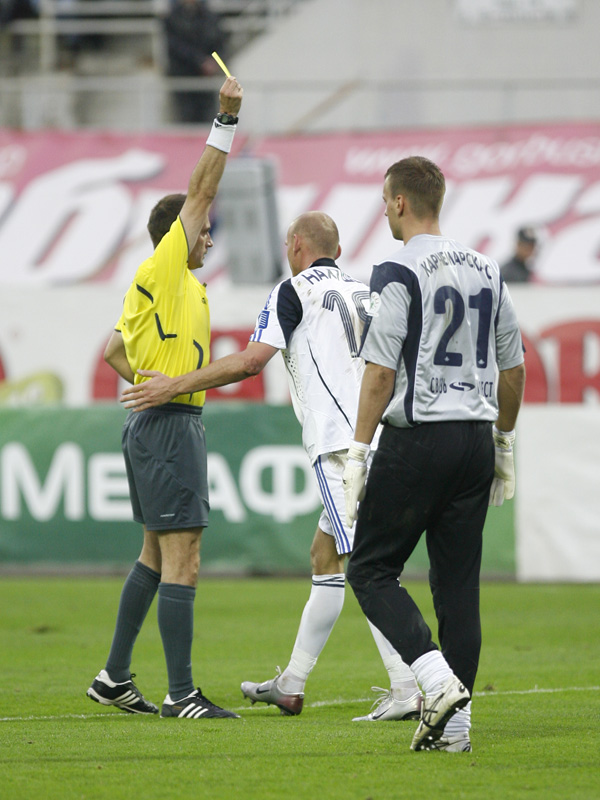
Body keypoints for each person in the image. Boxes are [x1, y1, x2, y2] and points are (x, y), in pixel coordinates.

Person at [120, 210, 423, 722]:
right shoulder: (365, 292)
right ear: (338, 251)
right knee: (325, 556)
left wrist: (175, 384)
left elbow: (250, 361)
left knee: (368, 567)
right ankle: (291, 684)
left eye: (287, 244)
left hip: (340, 446)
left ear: (297, 244)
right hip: (384, 439)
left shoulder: (293, 291)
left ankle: (407, 686)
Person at [343, 156, 526, 752]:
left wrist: (358, 451)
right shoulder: (488, 268)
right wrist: (504, 442)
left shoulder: (397, 268)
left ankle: (435, 680)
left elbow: (380, 368)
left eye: (384, 201)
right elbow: (514, 367)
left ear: (399, 202)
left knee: (370, 569)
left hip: (419, 435)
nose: (383, 210)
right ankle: (457, 730)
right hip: (474, 440)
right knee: (458, 587)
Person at [86, 74, 244, 720]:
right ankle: (182, 694)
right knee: (186, 557)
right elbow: (202, 191)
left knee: (155, 553)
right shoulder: (167, 267)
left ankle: (114, 677)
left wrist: (143, 382)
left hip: (161, 422)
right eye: (203, 232)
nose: (209, 238)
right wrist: (225, 120)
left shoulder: (165, 286)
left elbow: (110, 349)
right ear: (180, 232)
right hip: (170, 425)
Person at [163, 0, 227, 124]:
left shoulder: (210, 17)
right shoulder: (172, 18)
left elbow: (219, 44)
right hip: (183, 79)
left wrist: (214, 63)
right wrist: (200, 61)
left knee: (208, 119)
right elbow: (176, 47)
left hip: (206, 80)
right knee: (186, 120)